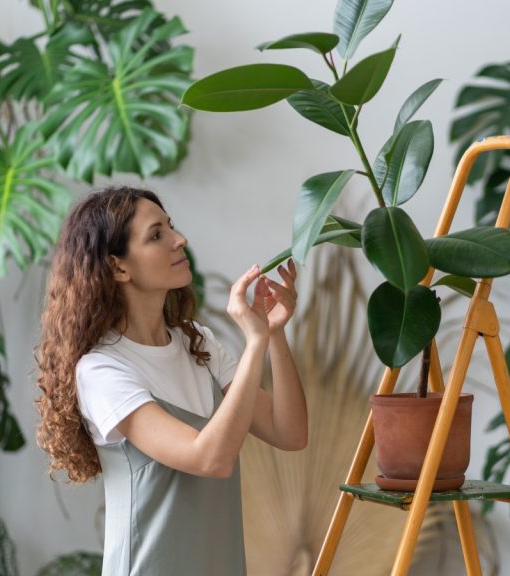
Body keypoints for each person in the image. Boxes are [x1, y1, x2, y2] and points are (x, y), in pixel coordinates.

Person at [35, 186, 307, 575]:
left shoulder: (199, 344)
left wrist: (273, 332)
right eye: (156, 234)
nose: (180, 240)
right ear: (118, 267)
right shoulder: (101, 371)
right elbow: (209, 458)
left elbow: (290, 433)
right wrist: (255, 343)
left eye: (171, 227)